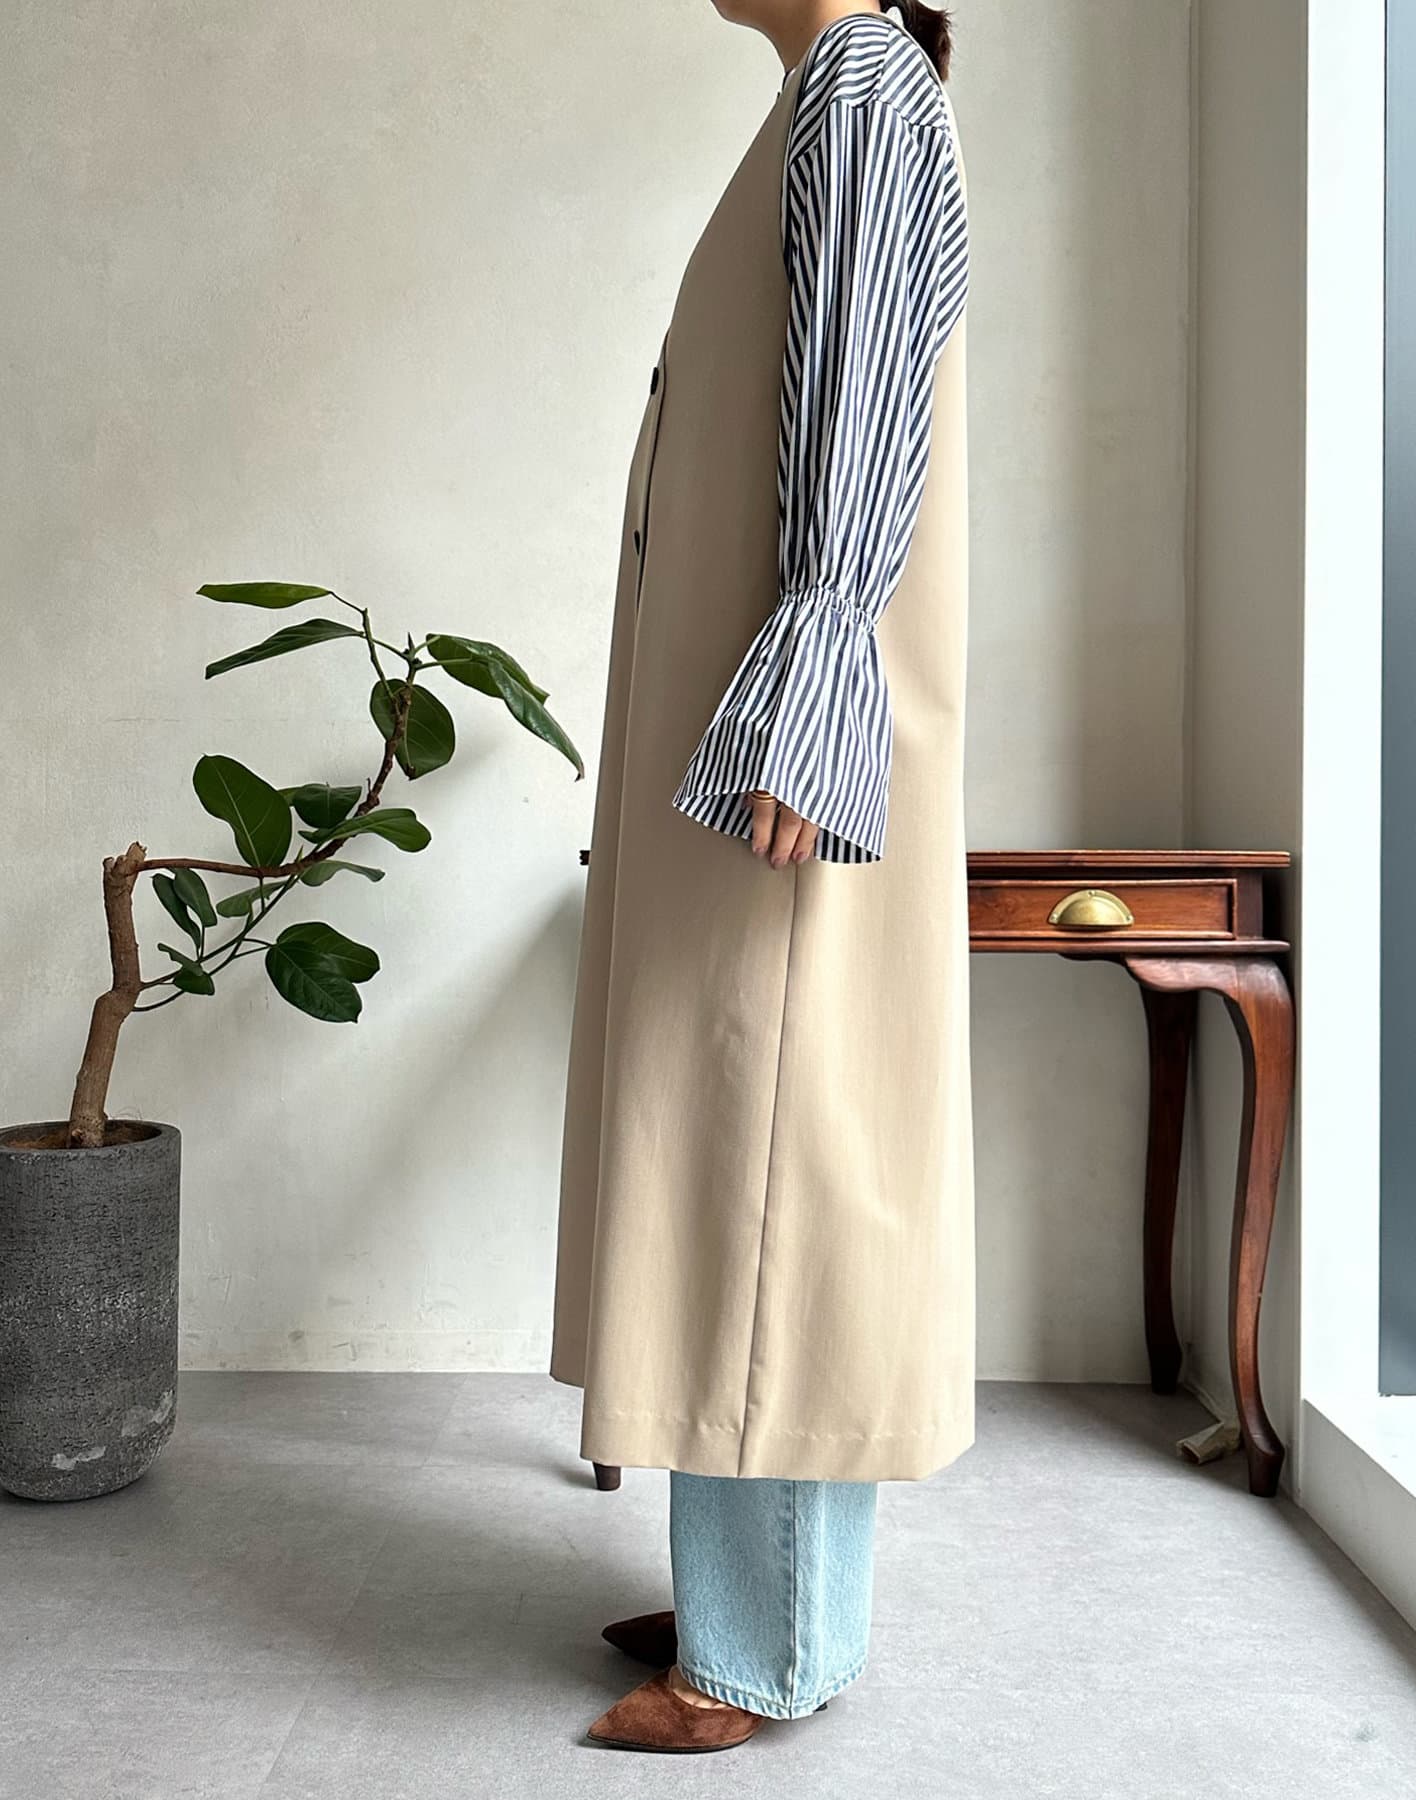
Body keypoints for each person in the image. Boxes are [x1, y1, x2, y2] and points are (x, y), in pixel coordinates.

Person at [550, 0, 973, 1754]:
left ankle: (755, 1647)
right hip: (747, 719)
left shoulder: (864, 84)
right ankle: (759, 1591)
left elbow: (864, 403)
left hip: (780, 732)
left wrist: (810, 691)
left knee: (770, 1155)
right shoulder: (833, 92)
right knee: (739, 1138)